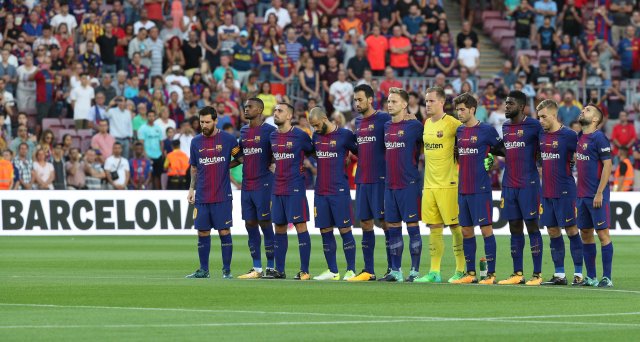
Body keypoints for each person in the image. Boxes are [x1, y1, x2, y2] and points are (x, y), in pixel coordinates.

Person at [415, 86, 466, 284]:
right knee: (434, 227)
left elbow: (471, 140)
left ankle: (461, 270)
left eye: (431, 101)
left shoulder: (453, 124)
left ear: (442, 102)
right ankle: (434, 272)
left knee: (455, 226)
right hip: (429, 185)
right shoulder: (426, 123)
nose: (427, 104)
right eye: (426, 101)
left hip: (449, 184)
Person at [451, 93, 503, 285]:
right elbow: (458, 155)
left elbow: (501, 151)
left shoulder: (487, 130)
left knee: (486, 229)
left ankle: (490, 274)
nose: (459, 113)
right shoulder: (459, 131)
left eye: (462, 109)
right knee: (466, 231)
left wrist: (492, 161)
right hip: (463, 187)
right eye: (457, 110)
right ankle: (471, 273)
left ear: (472, 109)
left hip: (481, 188)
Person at [186, 106, 243, 279]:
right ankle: (204, 270)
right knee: (202, 232)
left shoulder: (228, 140)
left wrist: (226, 165)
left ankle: (226, 271)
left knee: (224, 231)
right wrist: (191, 189)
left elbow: (240, 158)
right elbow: (194, 168)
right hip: (202, 195)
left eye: (207, 122)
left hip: (222, 195)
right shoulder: (195, 142)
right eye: (201, 122)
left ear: (215, 121)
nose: (204, 125)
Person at [497, 91, 544, 286]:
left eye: (510, 103)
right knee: (514, 227)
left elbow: (544, 148)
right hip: (509, 184)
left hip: (528, 184)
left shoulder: (534, 125)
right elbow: (504, 149)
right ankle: (517, 273)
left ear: (522, 106)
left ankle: (537, 274)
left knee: (532, 226)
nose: (506, 106)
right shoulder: (506, 126)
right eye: (506, 103)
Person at [536, 100, 585, 286]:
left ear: (554, 115)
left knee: (572, 229)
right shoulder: (541, 135)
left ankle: (579, 274)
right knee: (552, 231)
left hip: (565, 190)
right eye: (539, 117)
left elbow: (581, 156)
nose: (540, 120)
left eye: (544, 117)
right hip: (546, 191)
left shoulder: (569, 135)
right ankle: (560, 274)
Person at [264, 103, 314, 280]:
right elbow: (270, 157)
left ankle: (305, 271)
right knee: (279, 227)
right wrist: (273, 167)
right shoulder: (272, 136)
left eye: (280, 111)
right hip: (277, 187)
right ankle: (279, 270)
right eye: (275, 110)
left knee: (300, 225)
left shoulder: (300, 135)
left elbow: (313, 152)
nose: (275, 113)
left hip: (295, 187)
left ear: (289, 116)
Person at [377, 87, 423, 282]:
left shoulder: (415, 126)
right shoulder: (386, 126)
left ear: (405, 104)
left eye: (394, 101)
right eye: (388, 101)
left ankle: (414, 271)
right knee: (393, 226)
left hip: (409, 184)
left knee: (412, 226)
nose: (390, 104)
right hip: (390, 185)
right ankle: (396, 271)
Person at [308, 106, 358, 281]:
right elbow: (315, 154)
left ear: (324, 119)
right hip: (320, 190)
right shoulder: (316, 136)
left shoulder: (344, 135)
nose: (315, 129)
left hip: (339, 190)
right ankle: (333, 270)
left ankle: (351, 269)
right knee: (325, 230)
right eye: (312, 126)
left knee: (345, 229)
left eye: (316, 125)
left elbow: (359, 153)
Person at [348, 84, 392, 282]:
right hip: (362, 179)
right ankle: (369, 270)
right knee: (365, 222)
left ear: (370, 99)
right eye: (355, 100)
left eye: (360, 99)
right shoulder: (358, 122)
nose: (357, 103)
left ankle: (394, 269)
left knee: (385, 223)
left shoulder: (383, 118)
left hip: (380, 179)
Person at [232, 98, 277, 279]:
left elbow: (277, 153)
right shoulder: (243, 131)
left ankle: (271, 267)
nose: (246, 109)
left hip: (264, 183)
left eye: (250, 107)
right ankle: (256, 268)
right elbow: (241, 155)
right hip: (247, 184)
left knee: (265, 222)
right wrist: (221, 166)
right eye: (245, 106)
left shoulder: (270, 131)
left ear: (259, 110)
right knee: (249, 223)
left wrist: (274, 164)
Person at [576, 104, 614, 287]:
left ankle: (607, 277)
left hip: (597, 195)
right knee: (585, 233)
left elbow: (608, 166)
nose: (583, 111)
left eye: (588, 110)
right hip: (581, 196)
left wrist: (599, 192)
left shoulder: (599, 138)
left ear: (595, 119)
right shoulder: (579, 137)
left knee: (602, 234)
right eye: (583, 109)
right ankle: (591, 277)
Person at [137, 110, 163, 190]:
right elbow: (141, 143)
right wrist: (145, 155)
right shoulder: (142, 128)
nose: (151, 117)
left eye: (153, 116)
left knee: (158, 176)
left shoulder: (158, 128)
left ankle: (158, 192)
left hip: (158, 155)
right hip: (147, 155)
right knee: (149, 175)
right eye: (149, 116)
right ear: (147, 117)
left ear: (155, 117)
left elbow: (161, 142)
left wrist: (161, 153)